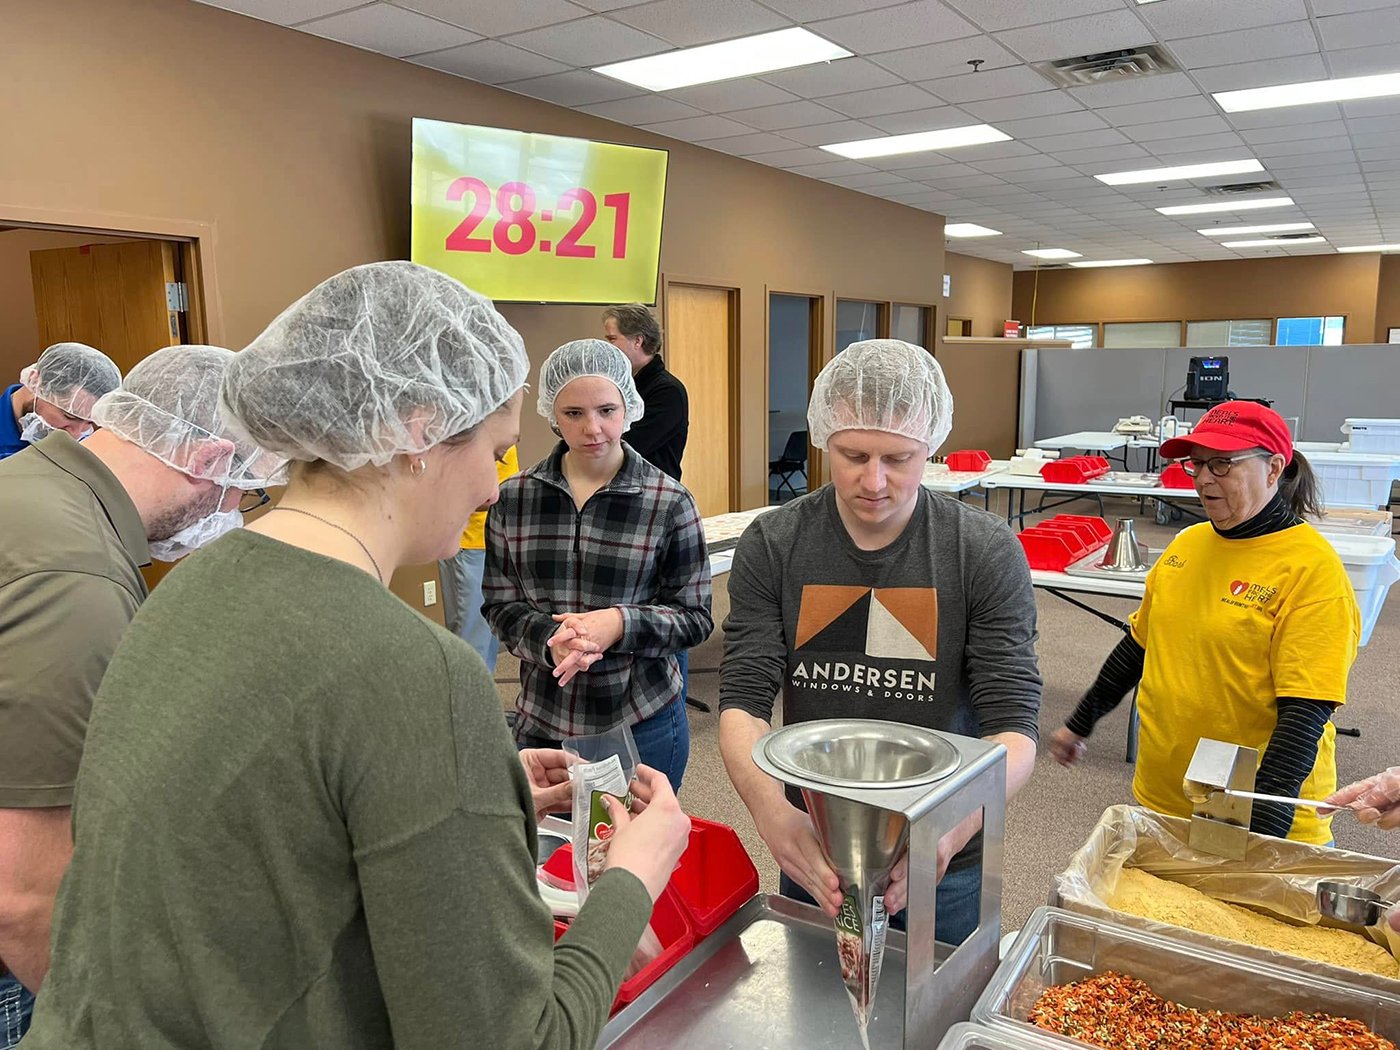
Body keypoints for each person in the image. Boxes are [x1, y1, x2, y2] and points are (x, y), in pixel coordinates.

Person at [22, 263, 691, 1050]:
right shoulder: (414, 669)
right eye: (496, 452)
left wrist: (480, 792)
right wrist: (631, 881)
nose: (493, 487)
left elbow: (268, 824)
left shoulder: (187, 589)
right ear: (418, 430)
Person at [0, 344, 282, 1048]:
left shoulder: (30, 482)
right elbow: (25, 897)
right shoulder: (76, 578)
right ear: (214, 460)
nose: (236, 511)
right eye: (246, 491)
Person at [718, 339, 1042, 946]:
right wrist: (772, 812)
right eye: (853, 454)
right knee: (819, 1009)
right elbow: (743, 699)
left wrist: (949, 829)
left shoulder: (983, 551)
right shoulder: (776, 541)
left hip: (944, 853)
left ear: (932, 447)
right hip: (814, 839)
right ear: (823, 439)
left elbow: (1014, 726)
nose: (873, 480)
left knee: (931, 1011)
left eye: (899, 457)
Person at [1050, 402, 1357, 847]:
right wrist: (1080, 723)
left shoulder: (1313, 571)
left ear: (1273, 468)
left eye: (1222, 464)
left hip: (1255, 818)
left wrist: (1258, 840)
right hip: (1164, 796)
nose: (1203, 479)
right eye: (1196, 464)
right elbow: (1138, 648)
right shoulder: (1186, 545)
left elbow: (1303, 719)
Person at [485, 339, 712, 793]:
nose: (593, 428)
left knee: (639, 853)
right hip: (544, 720)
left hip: (641, 719)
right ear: (552, 414)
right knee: (553, 858)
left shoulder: (668, 502)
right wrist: (550, 641)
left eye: (607, 410)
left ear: (629, 407)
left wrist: (618, 624)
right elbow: (499, 604)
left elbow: (695, 617)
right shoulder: (515, 498)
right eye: (574, 414)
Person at [602, 304, 698, 707]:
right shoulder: (624, 386)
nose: (605, 347)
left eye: (611, 339)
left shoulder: (665, 391)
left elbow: (626, 446)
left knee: (667, 606)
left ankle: (671, 694)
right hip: (619, 508)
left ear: (638, 341)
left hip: (656, 515)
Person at [438, 445, 519, 669]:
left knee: (490, 629)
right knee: (473, 643)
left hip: (497, 539)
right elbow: (464, 490)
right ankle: (471, 702)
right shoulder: (467, 428)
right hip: (470, 543)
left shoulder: (499, 425)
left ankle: (481, 700)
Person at [1, 341, 122, 459]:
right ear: (35, 382)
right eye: (69, 416)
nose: (76, 434)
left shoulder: (87, 448)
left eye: (90, 422)